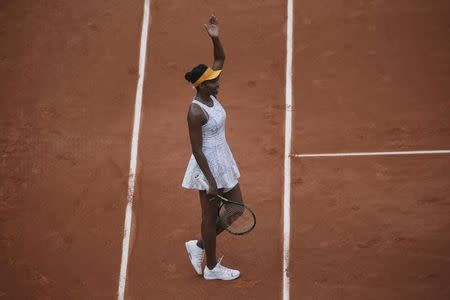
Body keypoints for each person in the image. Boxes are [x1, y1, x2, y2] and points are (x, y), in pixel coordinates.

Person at [182, 14, 243, 281]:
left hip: (223, 158)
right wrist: (210, 181)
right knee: (210, 216)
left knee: (235, 208)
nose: (218, 83)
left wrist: (215, 38)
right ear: (201, 86)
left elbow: (220, 60)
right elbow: (196, 150)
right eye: (213, 82)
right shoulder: (195, 113)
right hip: (207, 165)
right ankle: (211, 268)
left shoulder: (209, 94)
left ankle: (199, 246)